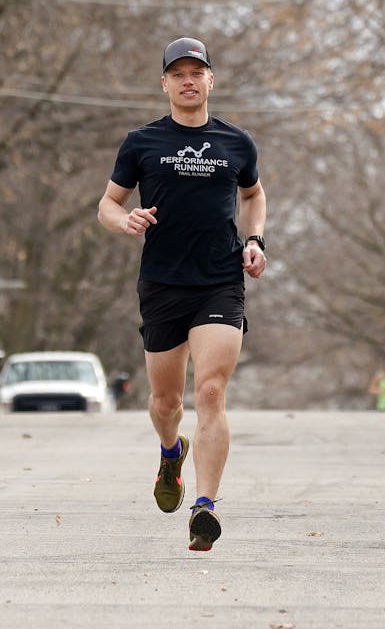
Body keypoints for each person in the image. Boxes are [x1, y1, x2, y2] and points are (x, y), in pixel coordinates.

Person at [97, 36, 266, 552]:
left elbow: (253, 195)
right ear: (166, 84)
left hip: (219, 279)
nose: (189, 81)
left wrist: (254, 239)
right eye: (179, 74)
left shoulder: (236, 143)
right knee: (165, 400)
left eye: (198, 72)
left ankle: (205, 507)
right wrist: (124, 219)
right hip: (163, 282)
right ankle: (171, 453)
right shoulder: (142, 142)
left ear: (211, 80)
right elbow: (107, 203)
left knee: (211, 391)